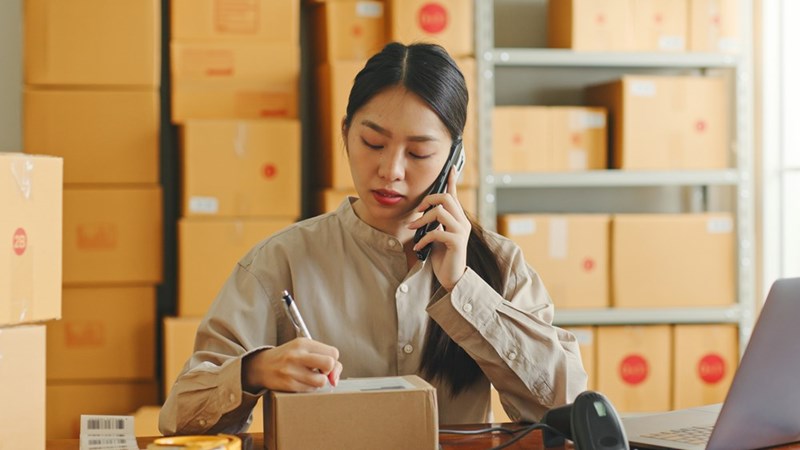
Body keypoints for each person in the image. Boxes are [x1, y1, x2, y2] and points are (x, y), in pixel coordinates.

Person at [159, 42, 587, 436]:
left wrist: (464, 289)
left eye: (418, 153)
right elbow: (178, 419)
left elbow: (568, 407)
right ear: (346, 133)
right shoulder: (280, 262)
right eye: (373, 143)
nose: (390, 170)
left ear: (454, 159)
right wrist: (253, 371)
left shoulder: (499, 263)